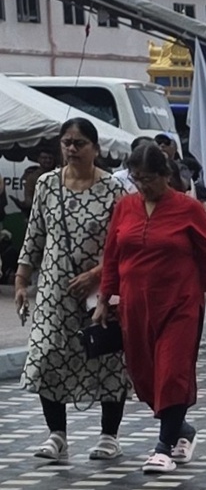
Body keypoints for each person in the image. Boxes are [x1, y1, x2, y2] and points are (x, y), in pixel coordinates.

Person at [96, 144, 206, 473]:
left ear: (166, 176)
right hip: (135, 305)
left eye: (148, 179)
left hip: (180, 304)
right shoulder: (125, 207)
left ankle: (163, 446)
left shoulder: (188, 210)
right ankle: (182, 428)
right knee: (145, 376)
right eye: (137, 179)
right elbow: (112, 256)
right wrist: (104, 300)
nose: (143, 186)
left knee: (172, 371)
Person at [14, 118, 131, 462]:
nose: (71, 149)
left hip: (100, 290)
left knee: (108, 357)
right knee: (48, 355)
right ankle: (56, 434)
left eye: (79, 143)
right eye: (66, 142)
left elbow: (122, 244)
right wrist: (22, 280)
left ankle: (109, 435)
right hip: (54, 289)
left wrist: (96, 274)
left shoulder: (114, 190)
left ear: (95, 148)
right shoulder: (48, 185)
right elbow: (34, 234)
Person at [20, 147, 58, 212]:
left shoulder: (59, 174)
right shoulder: (32, 177)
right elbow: (29, 197)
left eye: (50, 158)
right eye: (44, 158)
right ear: (39, 159)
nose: (48, 160)